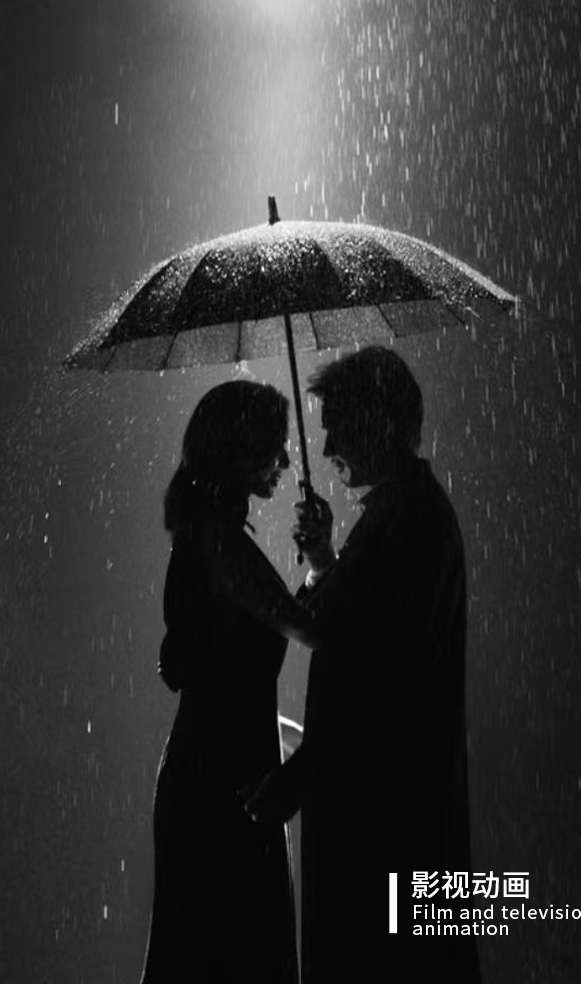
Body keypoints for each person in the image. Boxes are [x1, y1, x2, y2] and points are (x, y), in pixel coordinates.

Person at [247, 347, 482, 982]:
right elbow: (364, 631)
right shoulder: (399, 515)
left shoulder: (410, 525)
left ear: (377, 423)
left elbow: (379, 679)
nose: (325, 448)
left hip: (385, 819)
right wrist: (325, 559)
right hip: (383, 811)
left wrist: (303, 772)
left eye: (337, 427)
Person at [140, 380, 318, 984]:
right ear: (243, 450)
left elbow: (266, 632)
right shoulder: (219, 539)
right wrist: (323, 557)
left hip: (216, 771)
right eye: (276, 446)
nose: (287, 460)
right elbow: (306, 628)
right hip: (221, 784)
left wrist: (314, 570)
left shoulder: (207, 533)